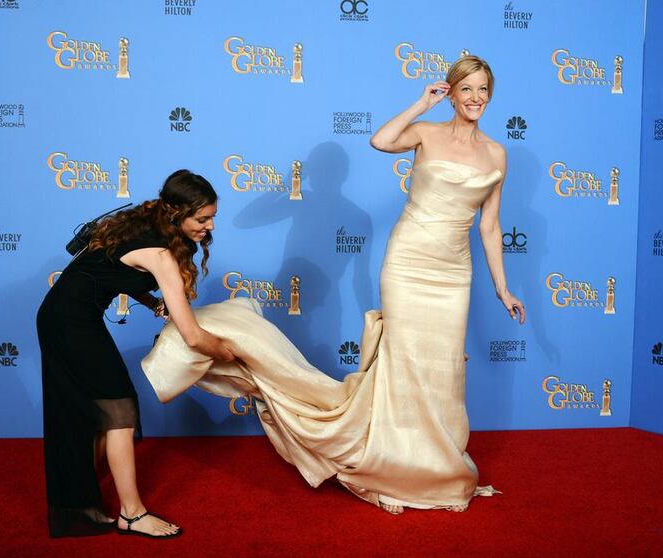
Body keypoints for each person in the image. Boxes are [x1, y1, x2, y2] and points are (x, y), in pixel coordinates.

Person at [142, 55, 525, 514]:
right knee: (403, 361)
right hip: (408, 262)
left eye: (483, 89)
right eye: (467, 89)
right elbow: (381, 139)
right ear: (452, 91)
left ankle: (437, 461)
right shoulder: (426, 133)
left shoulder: (497, 154)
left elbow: (490, 225)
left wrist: (502, 287)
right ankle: (395, 460)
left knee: (442, 366)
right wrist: (421, 104)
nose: (475, 98)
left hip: (454, 271)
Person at [37, 169, 234, 538]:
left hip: (67, 317)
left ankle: (80, 493)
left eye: (212, 218)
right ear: (176, 212)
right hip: (69, 323)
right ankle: (132, 513)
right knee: (119, 410)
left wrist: (148, 301)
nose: (208, 226)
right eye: (201, 218)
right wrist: (232, 353)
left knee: (107, 411)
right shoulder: (160, 253)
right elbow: (192, 336)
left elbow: (109, 271)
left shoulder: (145, 225)